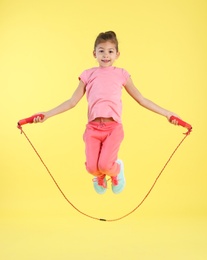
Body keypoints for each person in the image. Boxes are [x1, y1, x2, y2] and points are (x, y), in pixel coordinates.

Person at [33, 31, 179, 195]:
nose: (105, 55)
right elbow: (72, 102)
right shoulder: (88, 74)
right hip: (93, 128)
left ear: (117, 54)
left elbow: (142, 99)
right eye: (101, 50)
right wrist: (47, 114)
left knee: (104, 165)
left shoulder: (122, 74)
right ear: (94, 53)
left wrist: (167, 113)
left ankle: (116, 171)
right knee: (91, 168)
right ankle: (100, 176)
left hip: (113, 128)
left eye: (110, 51)